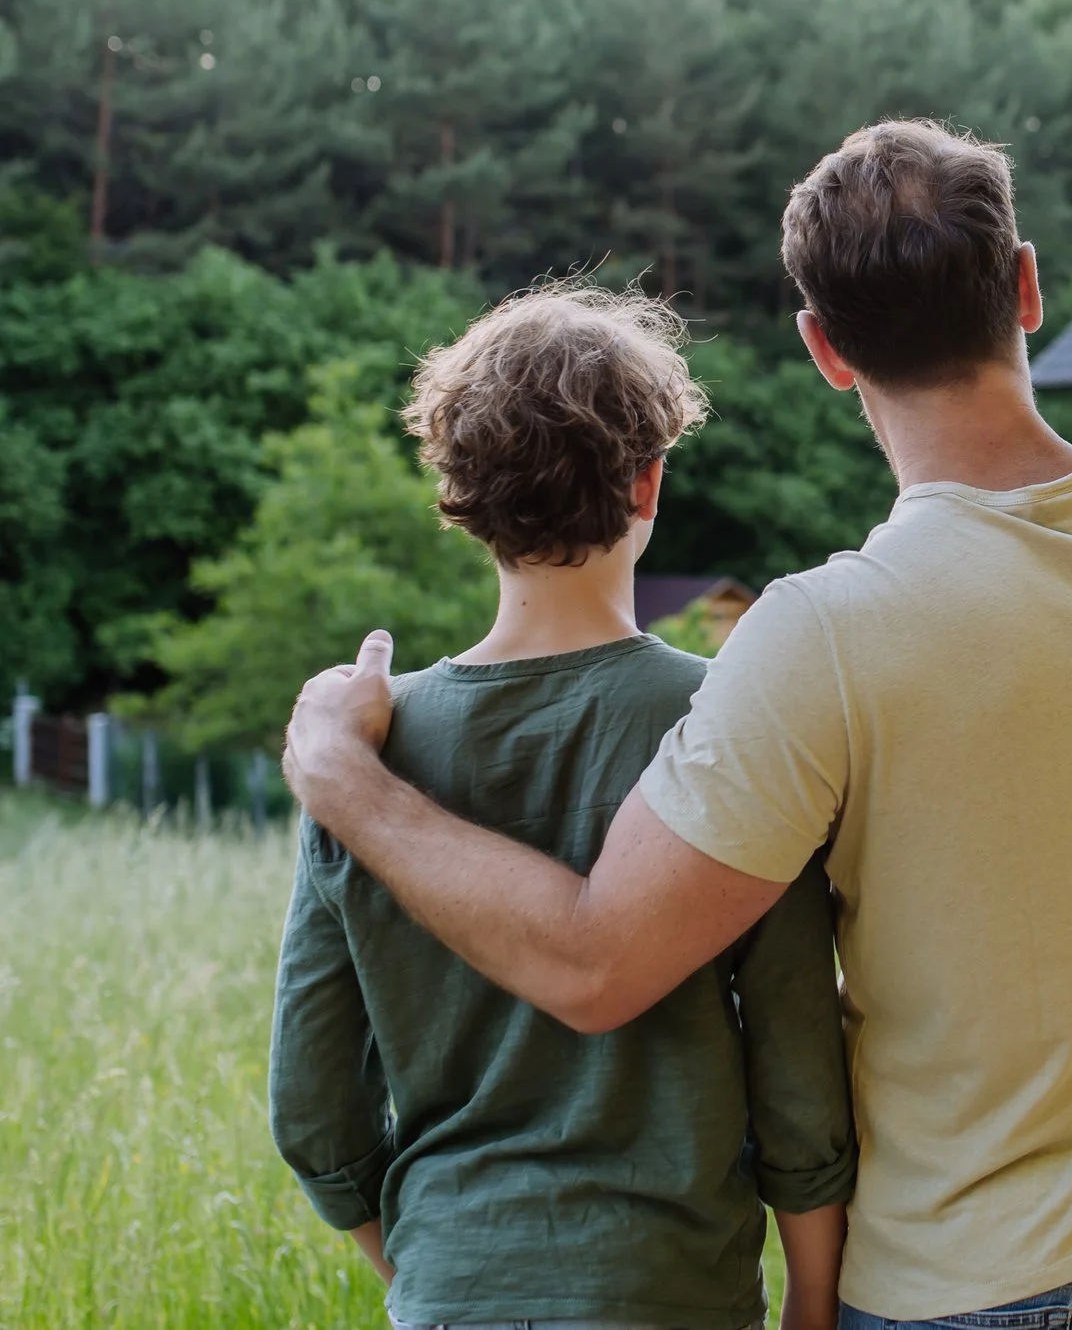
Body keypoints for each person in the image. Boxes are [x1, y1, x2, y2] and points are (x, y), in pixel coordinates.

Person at [284, 119, 1072, 1328]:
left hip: (962, 1286)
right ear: (1026, 286)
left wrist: (342, 778)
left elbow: (593, 960)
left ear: (824, 348)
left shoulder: (816, 636)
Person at [268, 285, 855, 1330]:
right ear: (648, 481)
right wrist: (813, 1296)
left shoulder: (357, 749)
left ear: (458, 494)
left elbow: (314, 1097)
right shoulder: (723, 716)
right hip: (670, 1290)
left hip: (450, 1283)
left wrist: (433, 1272)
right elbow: (795, 1049)